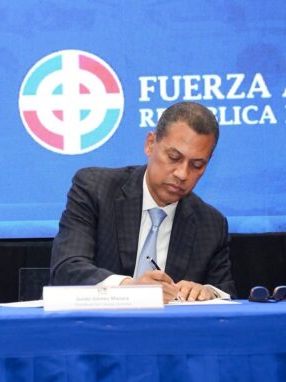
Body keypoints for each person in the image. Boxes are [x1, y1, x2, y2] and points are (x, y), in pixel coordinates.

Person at [50, 101, 236, 303]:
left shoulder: (211, 224)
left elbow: (227, 296)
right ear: (150, 144)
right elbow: (66, 268)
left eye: (197, 165)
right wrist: (129, 288)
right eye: (174, 157)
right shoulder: (96, 189)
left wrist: (208, 292)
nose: (182, 174)